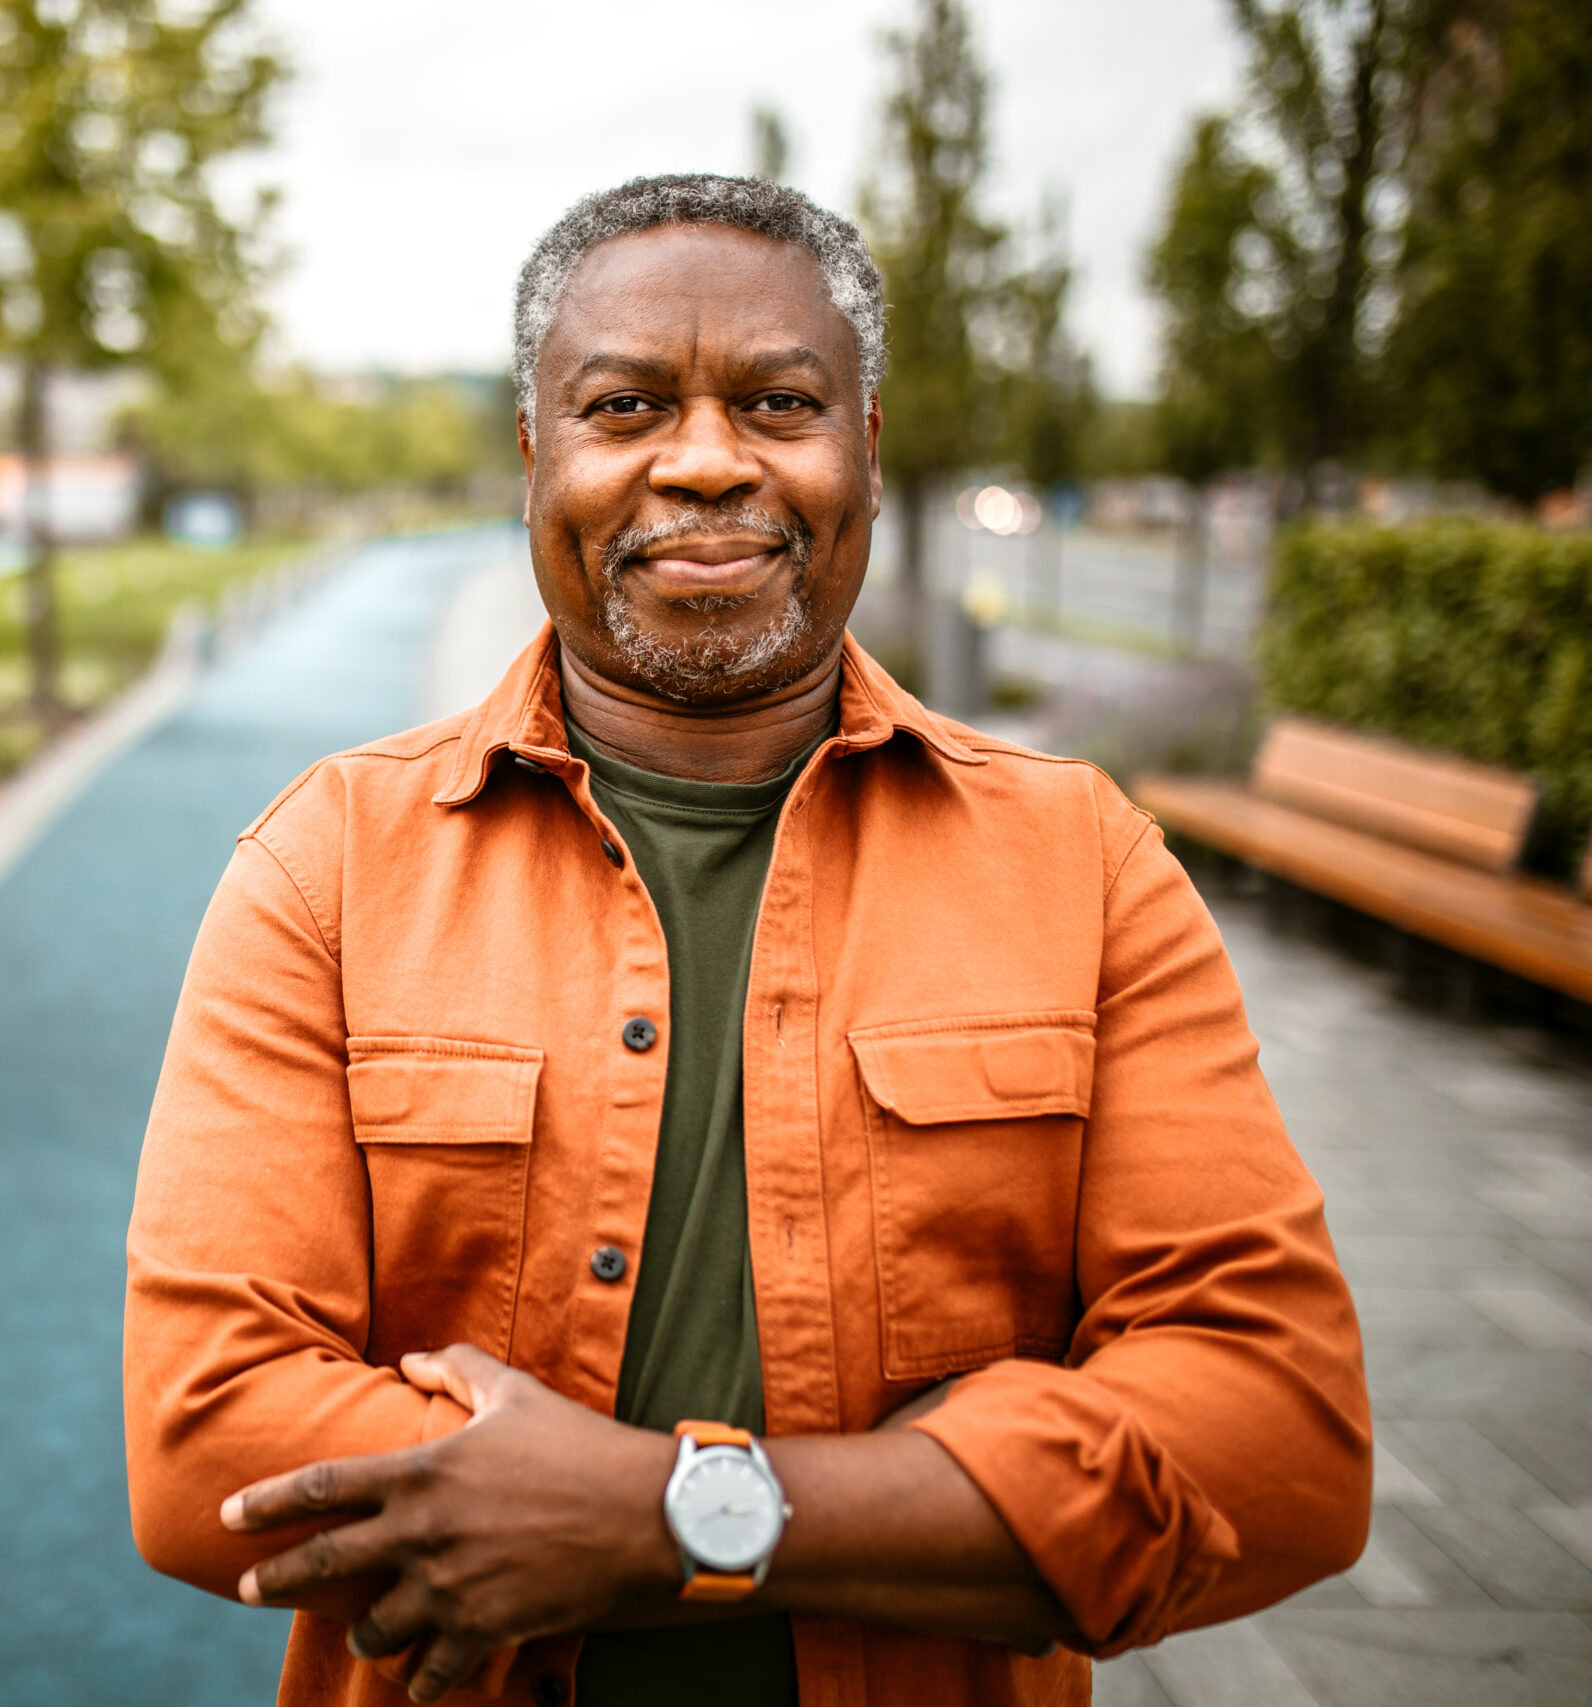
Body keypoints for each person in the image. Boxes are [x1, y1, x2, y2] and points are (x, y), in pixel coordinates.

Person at [122, 175, 1370, 1707]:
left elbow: (1281, 1441)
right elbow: (208, 1445)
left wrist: (669, 1521)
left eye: (780, 403)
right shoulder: (328, 866)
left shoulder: (1083, 866)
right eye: (627, 406)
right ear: (535, 454)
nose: (707, 462)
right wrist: (960, 1504)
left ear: (868, 453)